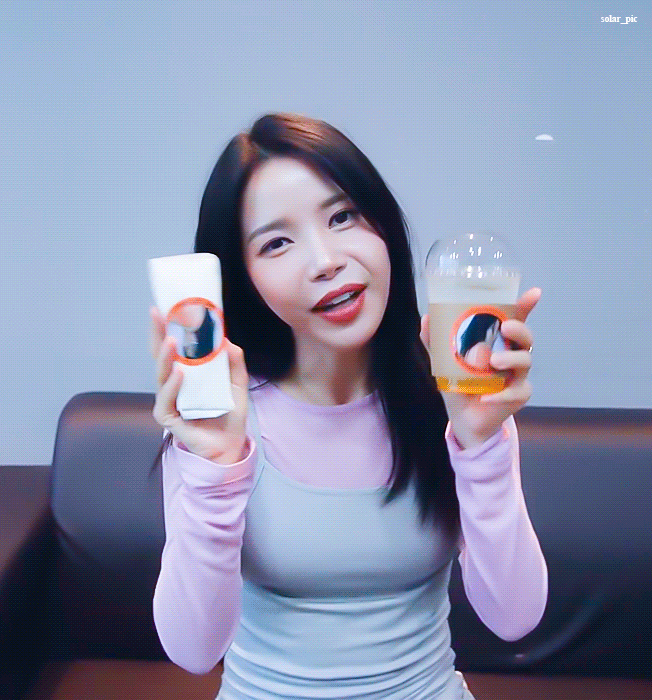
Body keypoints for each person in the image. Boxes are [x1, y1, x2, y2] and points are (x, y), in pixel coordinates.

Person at [149, 113, 547, 699]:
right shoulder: (218, 418)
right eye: (277, 243)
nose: (325, 260)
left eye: (342, 217)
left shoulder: (451, 395)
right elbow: (193, 651)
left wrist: (481, 443)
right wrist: (215, 469)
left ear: (382, 227)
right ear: (244, 276)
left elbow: (515, 618)